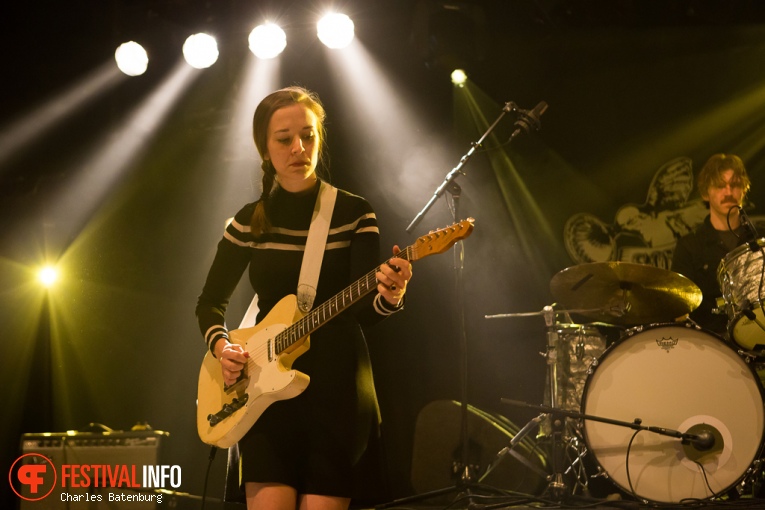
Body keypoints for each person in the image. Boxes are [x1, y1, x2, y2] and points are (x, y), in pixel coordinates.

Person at [195, 86, 413, 510]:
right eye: (284, 138)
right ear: (265, 148)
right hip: (262, 388)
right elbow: (209, 303)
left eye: (308, 135)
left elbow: (368, 313)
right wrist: (224, 348)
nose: (299, 147)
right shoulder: (247, 221)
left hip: (336, 387)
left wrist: (392, 292)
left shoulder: (354, 213)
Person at [670, 153, 752, 337]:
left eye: (735, 185)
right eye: (720, 186)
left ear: (744, 189)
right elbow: (678, 307)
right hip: (709, 347)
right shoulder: (689, 246)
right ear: (706, 193)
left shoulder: (760, 238)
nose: (728, 192)